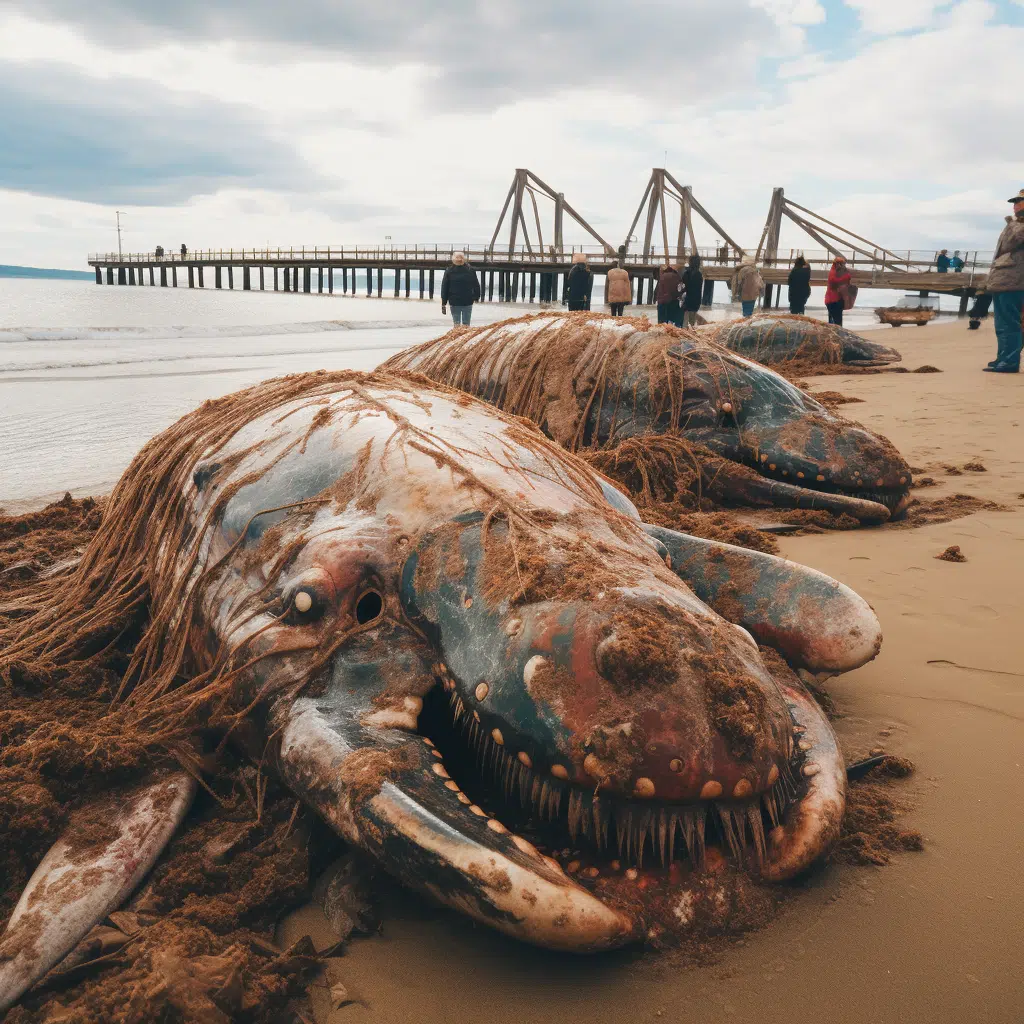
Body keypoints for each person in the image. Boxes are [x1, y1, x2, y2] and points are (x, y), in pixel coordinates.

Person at [984, 189, 1024, 373]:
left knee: (1010, 323)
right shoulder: (1016, 223)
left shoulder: (1018, 224)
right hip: (1003, 279)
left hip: (1015, 281)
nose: (1015, 205)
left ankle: (1009, 361)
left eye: (1020, 201)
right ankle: (1003, 357)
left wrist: (1015, 221)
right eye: (1015, 201)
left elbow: (1018, 238)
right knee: (1002, 323)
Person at [440, 251, 480, 325]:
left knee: (456, 324)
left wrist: (443, 303)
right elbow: (476, 285)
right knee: (466, 324)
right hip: (468, 301)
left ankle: (457, 336)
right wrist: (476, 297)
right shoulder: (470, 270)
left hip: (454, 301)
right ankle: (466, 336)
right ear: (463, 260)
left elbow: (444, 287)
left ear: (453, 260)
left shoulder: (449, 271)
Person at [824, 255, 852, 326]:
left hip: (834, 300)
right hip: (833, 301)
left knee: (834, 322)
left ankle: (834, 335)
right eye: (842, 264)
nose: (843, 265)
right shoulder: (833, 272)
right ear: (838, 264)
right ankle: (837, 335)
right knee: (837, 323)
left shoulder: (837, 271)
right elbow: (834, 282)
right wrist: (846, 276)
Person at [679, 254, 703, 327]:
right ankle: (690, 334)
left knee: (685, 323)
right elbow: (699, 288)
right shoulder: (699, 274)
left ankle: (684, 335)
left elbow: (682, 287)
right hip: (696, 301)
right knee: (692, 323)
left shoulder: (686, 273)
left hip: (687, 300)